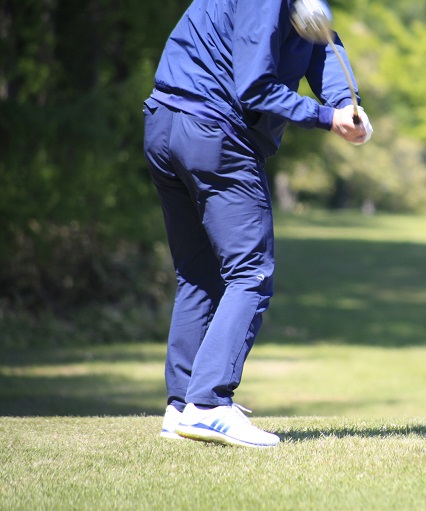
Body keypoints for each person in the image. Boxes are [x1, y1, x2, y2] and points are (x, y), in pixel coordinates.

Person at [144, 0, 372, 448]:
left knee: (200, 274)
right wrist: (327, 117)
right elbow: (254, 86)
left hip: (166, 124)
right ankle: (208, 405)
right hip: (212, 131)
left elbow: (321, 40)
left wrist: (346, 101)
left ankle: (181, 407)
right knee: (251, 271)